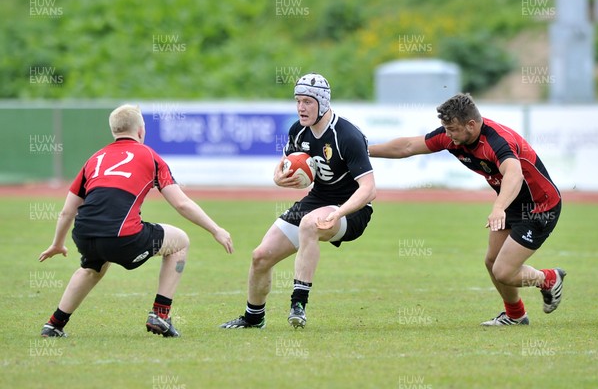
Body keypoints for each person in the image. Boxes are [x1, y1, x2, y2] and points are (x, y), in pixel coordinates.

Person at [38, 104, 234, 338]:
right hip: (122, 237)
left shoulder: (95, 158)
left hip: (84, 234)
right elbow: (181, 203)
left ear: (114, 131)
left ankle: (54, 324)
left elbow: (67, 212)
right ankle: (160, 315)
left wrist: (57, 243)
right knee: (180, 242)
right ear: (141, 131)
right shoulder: (150, 156)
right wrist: (215, 229)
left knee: (92, 268)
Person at [369, 93, 565, 326]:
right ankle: (515, 315)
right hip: (511, 201)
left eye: (452, 129)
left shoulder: (496, 141)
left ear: (471, 125)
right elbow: (408, 146)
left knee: (503, 271)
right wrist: (364, 151)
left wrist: (498, 208)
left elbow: (514, 174)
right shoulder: (452, 137)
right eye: (446, 128)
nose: (448, 135)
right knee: (492, 261)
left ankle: (549, 279)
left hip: (540, 206)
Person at [220, 73, 376, 329]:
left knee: (309, 225)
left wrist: (338, 214)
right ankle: (253, 318)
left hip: (353, 209)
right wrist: (278, 179)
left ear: (323, 103)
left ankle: (298, 303)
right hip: (317, 200)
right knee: (260, 256)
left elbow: (369, 190)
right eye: (298, 101)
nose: (301, 108)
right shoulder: (298, 131)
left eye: (308, 102)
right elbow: (284, 166)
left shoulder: (346, 135)